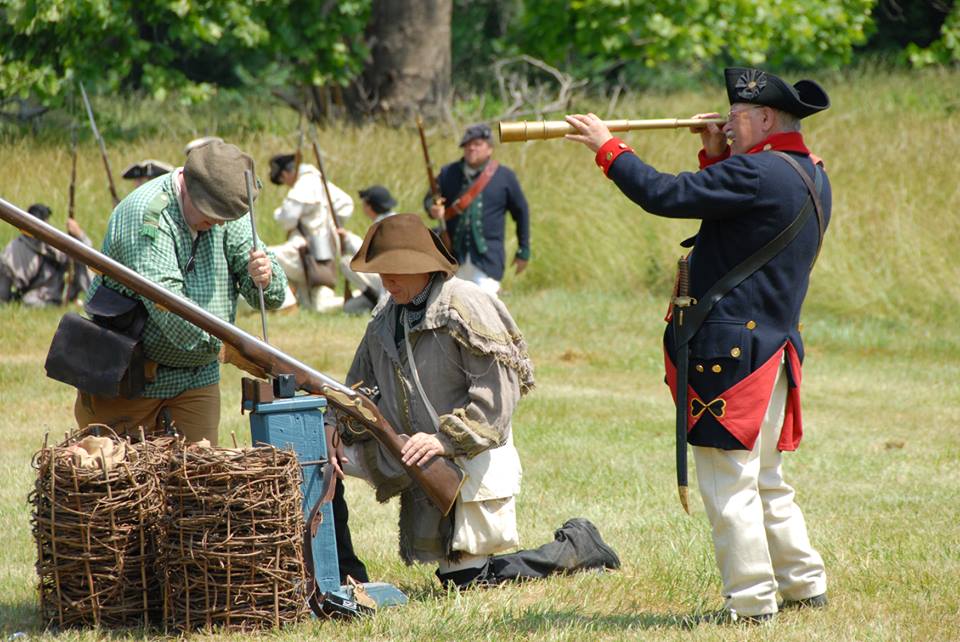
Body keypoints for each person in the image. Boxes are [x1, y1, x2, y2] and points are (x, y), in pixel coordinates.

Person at [565, 67, 831, 622]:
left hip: (733, 356)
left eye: (735, 118)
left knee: (728, 484)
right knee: (764, 481)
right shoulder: (807, 172)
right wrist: (717, 155)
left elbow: (666, 194)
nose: (727, 124)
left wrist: (608, 148)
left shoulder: (758, 173)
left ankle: (752, 602)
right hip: (773, 347)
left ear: (763, 118)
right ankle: (804, 585)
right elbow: (737, 221)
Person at [325, 214, 620, 588]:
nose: (387, 280)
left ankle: (578, 547)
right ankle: (346, 576)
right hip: (410, 450)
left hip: (472, 449)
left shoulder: (467, 304)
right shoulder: (386, 316)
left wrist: (443, 441)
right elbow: (358, 383)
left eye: (397, 269)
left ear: (426, 266)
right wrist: (332, 425)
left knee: (465, 581)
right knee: (319, 458)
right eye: (382, 270)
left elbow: (497, 398)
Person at [73, 140, 287, 445]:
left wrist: (264, 278)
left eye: (222, 218)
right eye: (209, 214)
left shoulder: (226, 209)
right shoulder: (146, 215)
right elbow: (170, 309)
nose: (215, 223)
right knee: (119, 483)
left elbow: (274, 296)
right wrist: (230, 348)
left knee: (199, 483)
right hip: (128, 377)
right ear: (187, 183)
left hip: (197, 379)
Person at [425, 123, 531, 296]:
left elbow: (521, 212)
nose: (471, 148)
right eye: (467, 145)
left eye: (477, 144)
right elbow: (430, 199)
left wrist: (523, 250)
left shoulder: (505, 176)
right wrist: (433, 208)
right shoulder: (448, 173)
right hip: (453, 255)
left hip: (487, 259)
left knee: (486, 304)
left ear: (490, 149)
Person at [267, 152, 354, 313]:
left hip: (306, 249)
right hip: (322, 246)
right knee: (317, 307)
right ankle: (362, 300)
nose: (285, 183)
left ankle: (287, 304)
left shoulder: (305, 183)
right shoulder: (318, 181)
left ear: (285, 174)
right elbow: (346, 205)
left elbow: (288, 218)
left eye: (282, 179)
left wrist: (278, 213)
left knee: (266, 256)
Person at [0, 203, 92, 306]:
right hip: (35, 298)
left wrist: (79, 235)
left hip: (59, 293)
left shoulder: (52, 243)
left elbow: (86, 255)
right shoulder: (15, 249)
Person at [339, 185, 397, 315]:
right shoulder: (394, 220)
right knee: (349, 307)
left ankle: (379, 302)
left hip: (387, 281)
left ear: (370, 207)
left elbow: (366, 255)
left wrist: (348, 238)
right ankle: (374, 300)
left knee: (346, 262)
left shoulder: (381, 226)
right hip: (388, 281)